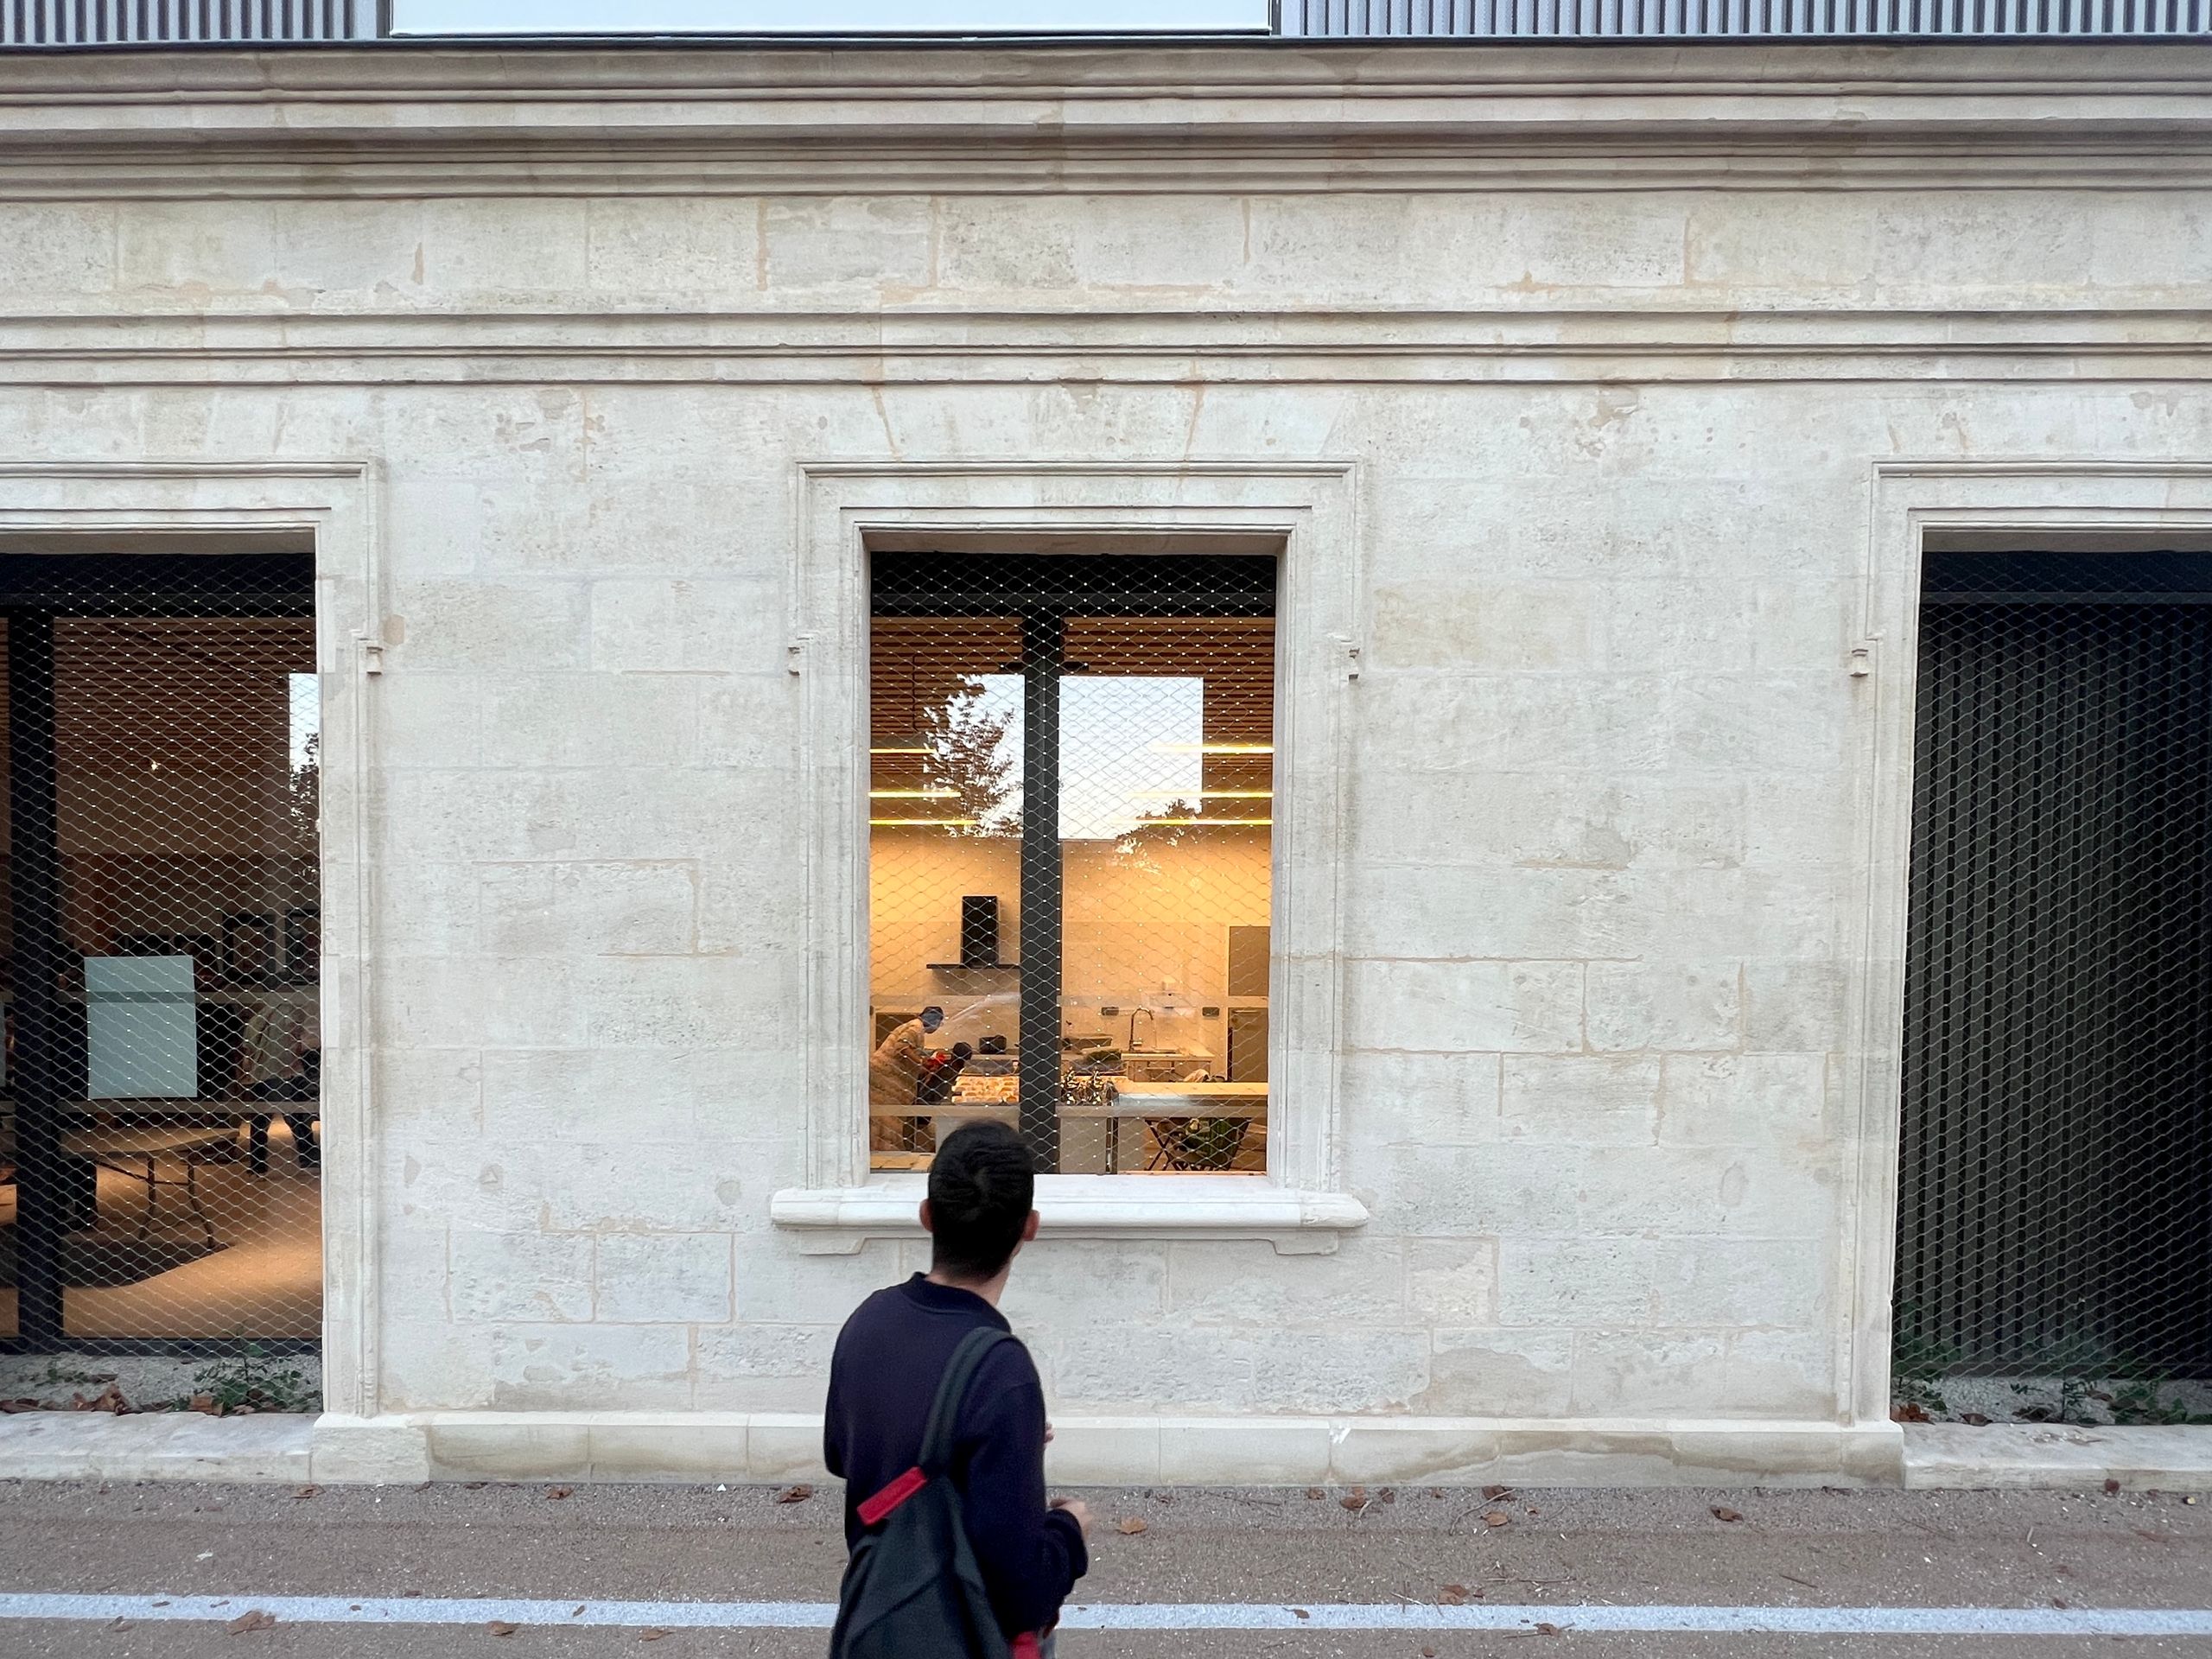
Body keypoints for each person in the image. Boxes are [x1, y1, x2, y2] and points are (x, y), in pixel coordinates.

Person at [824, 1121, 1089, 1655]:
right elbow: (1021, 1591)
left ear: (927, 1217)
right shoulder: (1001, 1370)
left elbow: (844, 1456)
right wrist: (1069, 1530)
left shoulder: (867, 1321)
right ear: (1030, 1228)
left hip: (879, 1621)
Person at [868, 1005, 944, 1105]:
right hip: (885, 1072)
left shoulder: (916, 1026)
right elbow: (902, 1046)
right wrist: (921, 1061)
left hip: (884, 1071)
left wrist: (922, 1064)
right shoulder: (916, 1027)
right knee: (885, 1109)